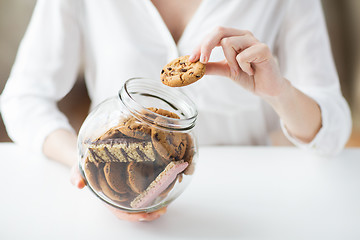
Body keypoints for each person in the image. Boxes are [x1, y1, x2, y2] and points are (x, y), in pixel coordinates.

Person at [0, 0, 352, 221]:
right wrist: (87, 164)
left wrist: (279, 91)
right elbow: (23, 98)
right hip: (111, 212)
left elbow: (335, 131)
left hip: (248, 208)